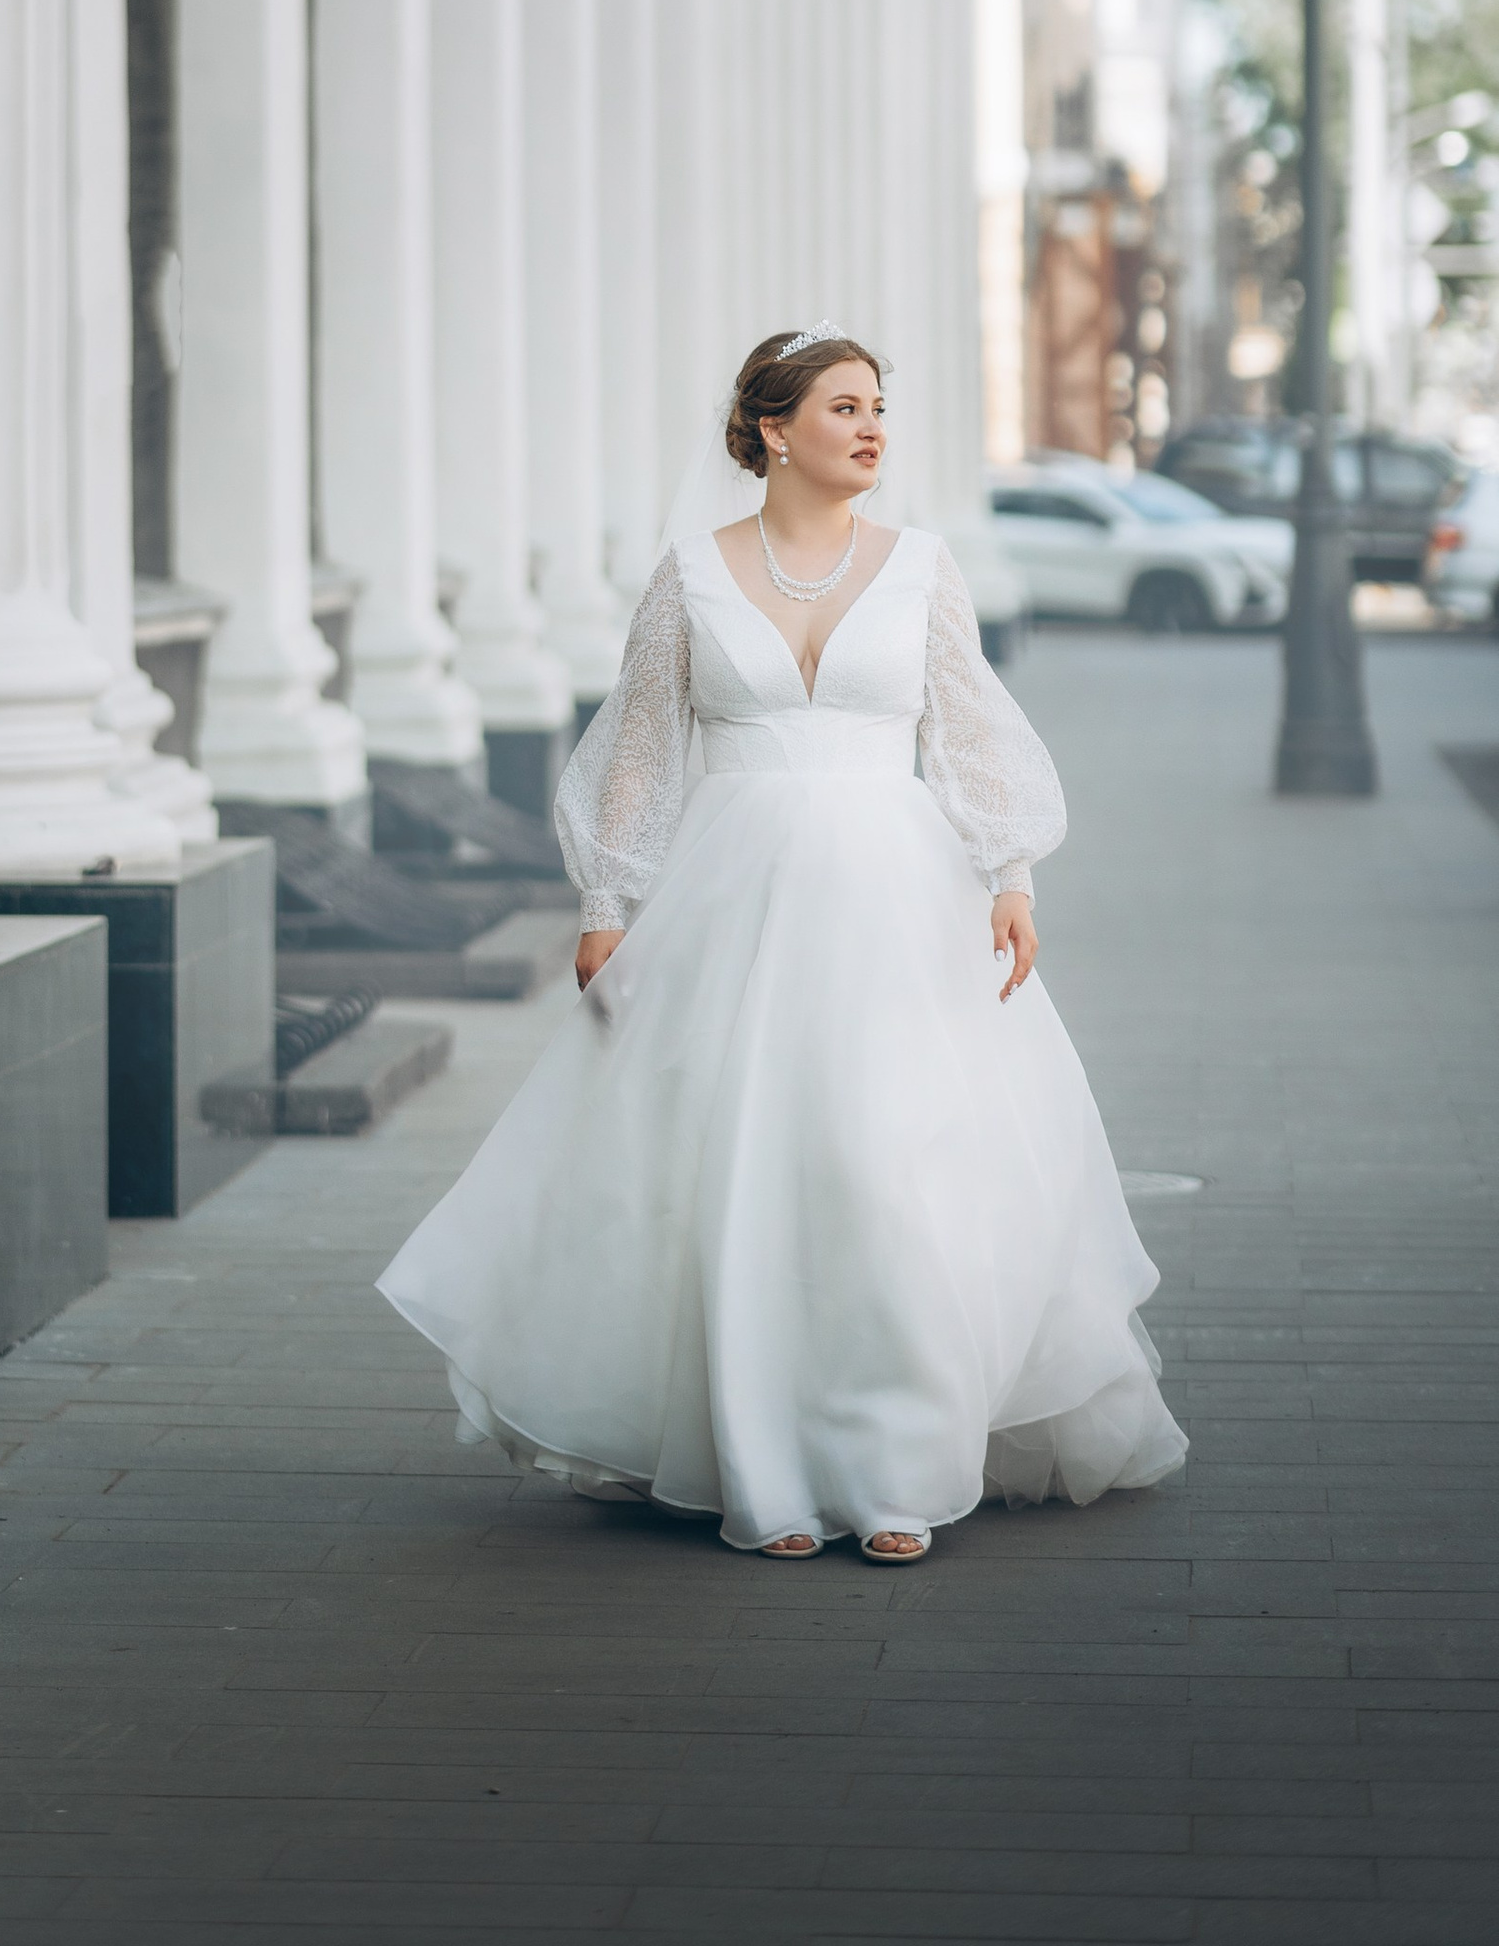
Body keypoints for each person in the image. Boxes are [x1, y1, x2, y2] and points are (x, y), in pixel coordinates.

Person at [378, 326, 1187, 1560]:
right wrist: (605, 904)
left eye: (877, 409)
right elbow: (639, 747)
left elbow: (968, 728)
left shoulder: (920, 566)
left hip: (897, 905)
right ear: (773, 429)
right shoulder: (690, 575)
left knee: (884, 1169)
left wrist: (1010, 875)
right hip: (731, 907)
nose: (870, 429)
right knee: (749, 1181)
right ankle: (766, 1469)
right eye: (843, 407)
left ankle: (894, 1472)